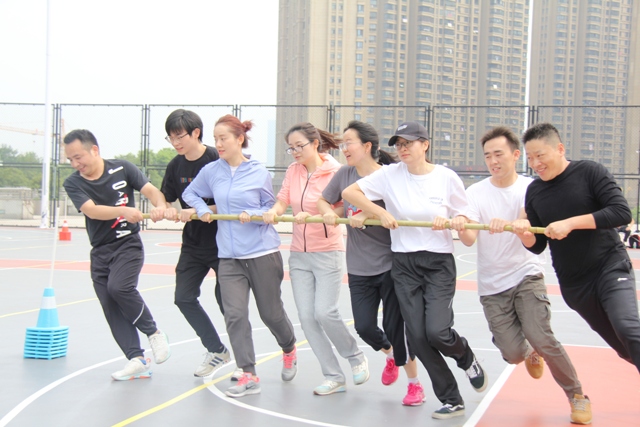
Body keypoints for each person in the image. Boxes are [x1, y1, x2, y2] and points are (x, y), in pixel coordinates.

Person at [342, 121, 487, 420]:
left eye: (409, 143)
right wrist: (379, 212)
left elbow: (467, 222)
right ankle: (451, 399)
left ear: (425, 144)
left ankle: (465, 356)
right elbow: (350, 192)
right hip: (404, 264)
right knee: (418, 338)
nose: (403, 148)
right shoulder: (390, 174)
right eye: (399, 144)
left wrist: (458, 220)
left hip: (438, 263)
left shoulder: (446, 177)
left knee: (437, 332)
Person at [453, 126, 591, 425]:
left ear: (516, 155)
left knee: (542, 336)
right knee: (513, 354)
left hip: (526, 274)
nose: (493, 161)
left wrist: (518, 221)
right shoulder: (475, 193)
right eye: (487, 156)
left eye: (498, 154)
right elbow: (468, 240)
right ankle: (528, 352)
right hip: (492, 285)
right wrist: (460, 223)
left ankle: (577, 395)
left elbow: (531, 218)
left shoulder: (532, 188)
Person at [514, 122, 640, 402]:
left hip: (610, 268)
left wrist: (570, 223)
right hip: (575, 286)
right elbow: (539, 245)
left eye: (540, 155)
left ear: (560, 149)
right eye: (530, 158)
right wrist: (524, 234)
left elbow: (621, 212)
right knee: (624, 348)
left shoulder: (590, 172)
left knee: (629, 328)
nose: (535, 163)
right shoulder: (534, 191)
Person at [182, 114, 297, 398]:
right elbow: (190, 193)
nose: (219, 144)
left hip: (262, 253)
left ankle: (289, 347)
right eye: (216, 139)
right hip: (229, 257)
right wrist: (202, 209)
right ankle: (248, 373)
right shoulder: (212, 170)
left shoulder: (258, 172)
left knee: (271, 314)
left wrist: (254, 213)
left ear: (239, 139)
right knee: (234, 314)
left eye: (223, 139)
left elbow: (270, 207)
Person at [317, 120, 421, 405]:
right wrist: (329, 212)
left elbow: (399, 213)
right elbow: (324, 201)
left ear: (366, 146)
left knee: (395, 329)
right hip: (359, 267)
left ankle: (414, 384)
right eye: (342, 144)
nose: (344, 148)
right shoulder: (344, 174)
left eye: (348, 143)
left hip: (390, 265)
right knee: (364, 327)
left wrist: (367, 212)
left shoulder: (389, 175)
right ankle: (390, 354)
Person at [262, 122, 369, 396]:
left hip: (328, 251)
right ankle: (333, 376)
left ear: (315, 144)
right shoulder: (293, 170)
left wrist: (321, 214)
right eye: (291, 148)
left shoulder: (336, 170)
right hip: (299, 254)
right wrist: (274, 211)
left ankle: (355, 357)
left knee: (325, 312)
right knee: (307, 318)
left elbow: (344, 205)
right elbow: (283, 199)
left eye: (300, 146)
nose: (295, 152)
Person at [62, 129, 171, 381]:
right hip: (100, 251)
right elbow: (92, 211)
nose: (75, 164)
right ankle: (136, 359)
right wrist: (122, 211)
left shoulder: (123, 168)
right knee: (110, 304)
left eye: (78, 157)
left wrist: (160, 206)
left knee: (119, 288)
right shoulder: (73, 182)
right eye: (70, 160)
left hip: (127, 245)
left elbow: (152, 192)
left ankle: (154, 333)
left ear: (94, 150)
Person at [160, 109, 230, 377]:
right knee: (183, 298)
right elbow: (165, 197)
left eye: (180, 136)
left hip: (224, 244)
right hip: (192, 245)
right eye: (171, 138)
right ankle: (216, 350)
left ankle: (245, 360)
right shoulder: (175, 166)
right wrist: (165, 207)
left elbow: (232, 200)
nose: (175, 143)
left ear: (196, 133)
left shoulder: (217, 159)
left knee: (227, 303)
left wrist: (199, 209)